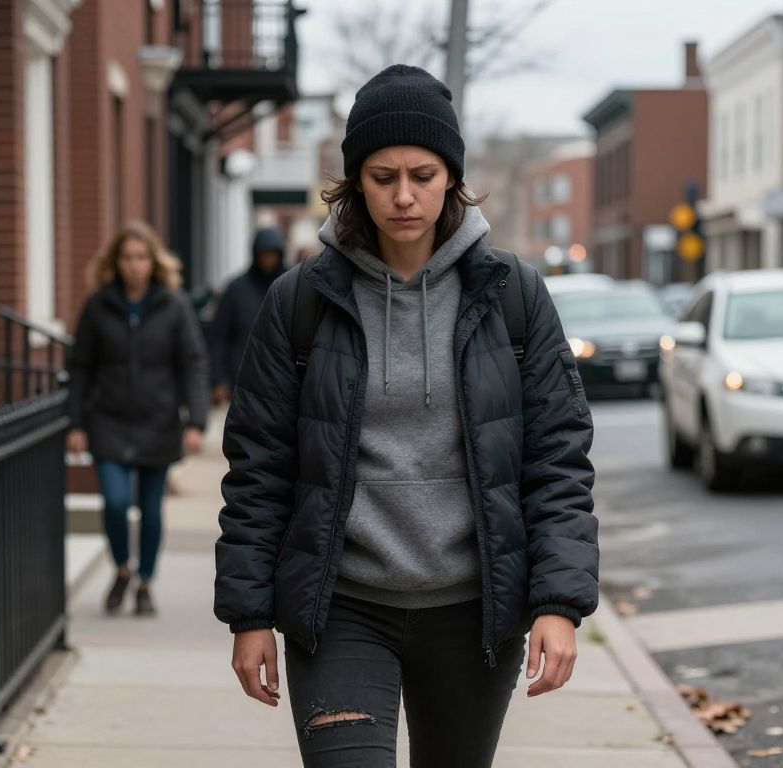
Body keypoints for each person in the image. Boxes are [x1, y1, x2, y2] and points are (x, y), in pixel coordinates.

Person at [214, 64, 598, 767]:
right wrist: (249, 614)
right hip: (341, 610)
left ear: (451, 176)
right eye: (383, 175)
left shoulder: (514, 296)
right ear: (355, 180)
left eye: (422, 174)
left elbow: (556, 460)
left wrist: (558, 602)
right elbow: (258, 468)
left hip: (473, 615)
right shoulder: (301, 301)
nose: (403, 196)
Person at [68, 221, 209, 617]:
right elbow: (80, 366)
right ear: (116, 262)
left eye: (142, 257)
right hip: (108, 421)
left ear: (154, 262)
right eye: (128, 257)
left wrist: (195, 420)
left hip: (158, 422)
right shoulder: (99, 306)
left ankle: (145, 580)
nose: (135, 265)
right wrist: (76, 423)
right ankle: (122, 568)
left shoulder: (174, 305)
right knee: (114, 503)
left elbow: (193, 363)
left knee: (150, 510)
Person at [208, 227, 287, 404]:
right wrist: (218, 379)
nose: (269, 259)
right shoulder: (236, 289)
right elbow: (219, 336)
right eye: (264, 254)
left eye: (273, 254)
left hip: (283, 381)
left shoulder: (291, 287)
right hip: (242, 379)